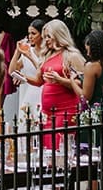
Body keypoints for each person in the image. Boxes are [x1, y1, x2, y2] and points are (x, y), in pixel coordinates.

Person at [34, 20, 85, 148]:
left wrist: (60, 80)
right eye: (45, 37)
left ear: (58, 35)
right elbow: (39, 80)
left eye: (49, 36)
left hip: (65, 109)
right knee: (46, 148)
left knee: (60, 147)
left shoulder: (71, 56)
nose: (46, 40)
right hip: (47, 111)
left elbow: (81, 83)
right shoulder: (48, 55)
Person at [9, 18, 45, 122]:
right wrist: (17, 52)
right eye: (29, 33)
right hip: (27, 92)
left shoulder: (47, 53)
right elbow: (12, 71)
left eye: (33, 33)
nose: (30, 36)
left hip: (42, 92)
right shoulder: (27, 52)